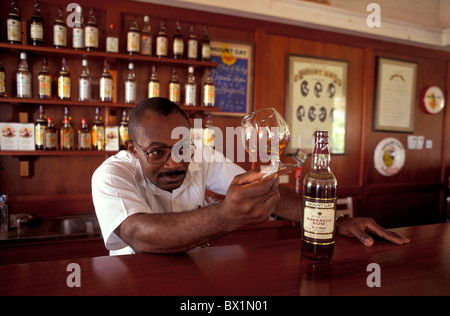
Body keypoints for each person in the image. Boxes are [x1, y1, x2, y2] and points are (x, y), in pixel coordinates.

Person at [92, 97, 409, 256]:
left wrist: (336, 221)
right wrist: (226, 217)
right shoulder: (111, 174)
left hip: (196, 275)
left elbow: (263, 191)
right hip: (132, 279)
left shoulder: (204, 157)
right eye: (157, 152)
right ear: (132, 149)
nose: (173, 163)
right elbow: (139, 233)